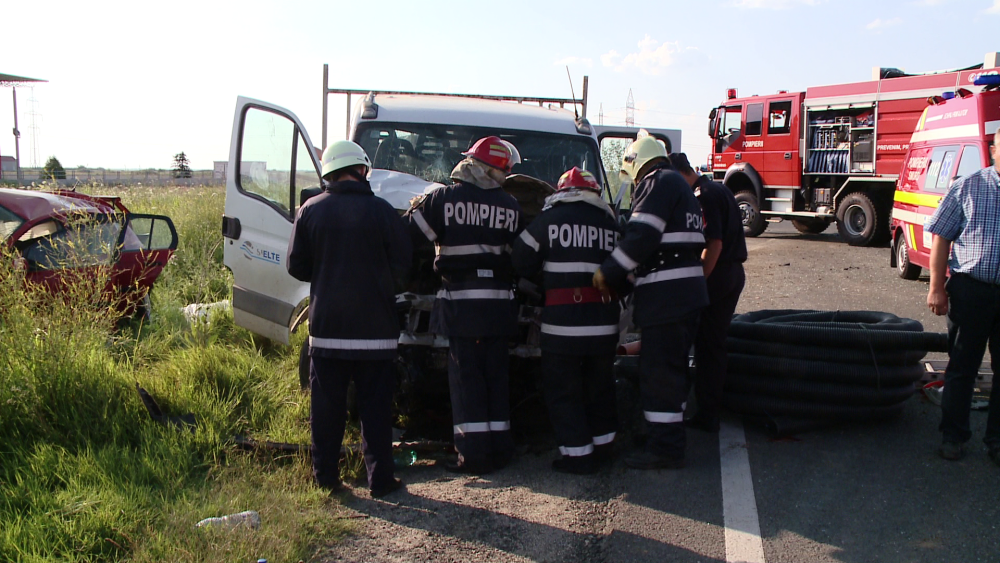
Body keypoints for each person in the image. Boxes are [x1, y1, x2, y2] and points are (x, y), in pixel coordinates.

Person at [286, 140, 412, 497]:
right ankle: (381, 481)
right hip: (377, 333)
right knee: (375, 411)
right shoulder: (385, 212)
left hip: (328, 333)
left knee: (326, 410)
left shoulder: (310, 210)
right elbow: (404, 266)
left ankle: (326, 479)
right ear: (361, 170)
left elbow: (296, 267)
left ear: (328, 172)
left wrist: (327, 270)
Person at [405, 136, 523, 474]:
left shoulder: (442, 199)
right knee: (496, 379)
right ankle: (500, 450)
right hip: (500, 309)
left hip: (463, 308)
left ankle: (472, 455)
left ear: (471, 163)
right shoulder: (512, 206)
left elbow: (409, 238)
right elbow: (521, 256)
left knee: (467, 380)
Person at [593, 131, 708, 470]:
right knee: (669, 371)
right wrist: (626, 282)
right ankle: (666, 436)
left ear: (637, 165)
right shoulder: (679, 186)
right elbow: (660, 253)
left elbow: (642, 237)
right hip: (681, 294)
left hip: (668, 299)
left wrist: (609, 271)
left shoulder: (658, 182)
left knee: (659, 374)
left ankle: (665, 449)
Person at [511, 167, 622, 475]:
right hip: (603, 325)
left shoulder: (548, 221)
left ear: (560, 193)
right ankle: (604, 448)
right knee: (600, 387)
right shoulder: (610, 223)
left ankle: (577, 455)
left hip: (562, 327)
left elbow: (520, 260)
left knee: (564, 390)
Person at [925, 131, 1000, 466]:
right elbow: (941, 237)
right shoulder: (969, 187)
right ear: (994, 150)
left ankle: (996, 441)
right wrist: (936, 287)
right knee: (962, 367)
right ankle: (953, 436)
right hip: (971, 290)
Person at [669, 152, 747, 433]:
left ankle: (708, 413)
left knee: (708, 346)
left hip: (718, 275)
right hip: (729, 274)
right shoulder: (717, 188)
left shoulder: (703, 196)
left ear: (679, 174)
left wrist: (697, 284)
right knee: (711, 343)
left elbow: (713, 244)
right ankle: (708, 407)